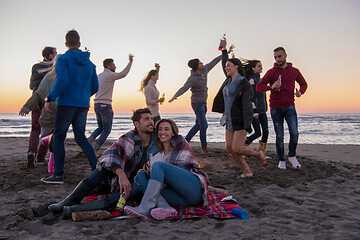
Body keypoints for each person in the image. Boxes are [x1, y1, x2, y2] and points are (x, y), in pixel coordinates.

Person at [48, 108, 159, 219]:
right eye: (146, 119)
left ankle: (76, 208)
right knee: (104, 167)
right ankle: (70, 200)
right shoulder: (127, 138)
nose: (151, 122)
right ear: (137, 124)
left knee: (135, 188)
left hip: (141, 182)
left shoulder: (158, 139)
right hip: (122, 178)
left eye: (151, 119)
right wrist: (121, 174)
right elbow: (110, 153)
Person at [41, 30, 99, 184]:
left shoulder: (63, 59)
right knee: (81, 138)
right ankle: (97, 169)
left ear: (66, 44)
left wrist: (50, 98)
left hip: (66, 103)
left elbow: (62, 81)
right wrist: (84, 95)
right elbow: (95, 87)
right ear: (79, 44)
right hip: (82, 105)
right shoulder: (90, 64)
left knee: (59, 137)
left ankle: (58, 175)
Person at [124, 118, 210, 220]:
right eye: (160, 129)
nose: (162, 132)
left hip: (193, 190)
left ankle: (145, 207)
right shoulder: (156, 156)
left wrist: (164, 178)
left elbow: (183, 169)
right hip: (180, 199)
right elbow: (152, 176)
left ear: (173, 132)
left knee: (158, 166)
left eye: (166, 129)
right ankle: (164, 207)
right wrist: (149, 173)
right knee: (140, 175)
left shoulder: (180, 143)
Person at [212, 38, 267, 178]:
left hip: (240, 119)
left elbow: (247, 103)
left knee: (237, 148)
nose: (226, 67)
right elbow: (224, 62)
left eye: (229, 66)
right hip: (229, 119)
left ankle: (258, 153)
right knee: (229, 148)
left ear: (236, 66)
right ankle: (247, 171)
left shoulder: (243, 83)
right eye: (226, 67)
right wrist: (223, 50)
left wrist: (248, 122)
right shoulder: (228, 80)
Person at [256, 47, 308, 169]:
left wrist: (300, 92)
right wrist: (271, 87)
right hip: (275, 107)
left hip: (290, 106)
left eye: (279, 56)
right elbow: (259, 86)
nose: (277, 59)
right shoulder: (271, 72)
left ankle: (292, 156)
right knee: (279, 135)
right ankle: (281, 159)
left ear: (285, 55)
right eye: (275, 57)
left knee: (294, 133)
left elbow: (304, 84)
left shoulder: (294, 71)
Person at [168, 51, 222, 155]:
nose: (203, 64)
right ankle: (204, 148)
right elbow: (184, 88)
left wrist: (224, 54)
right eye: (200, 63)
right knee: (203, 125)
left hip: (204, 102)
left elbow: (213, 62)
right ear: (197, 67)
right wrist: (176, 95)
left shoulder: (205, 70)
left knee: (198, 125)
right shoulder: (192, 78)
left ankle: (185, 141)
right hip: (197, 104)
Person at [88, 55, 134, 156]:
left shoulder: (99, 76)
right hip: (105, 105)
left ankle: (87, 144)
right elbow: (123, 74)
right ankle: (95, 150)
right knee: (107, 130)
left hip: (97, 104)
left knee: (100, 128)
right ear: (109, 67)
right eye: (113, 65)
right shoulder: (110, 75)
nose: (115, 67)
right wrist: (130, 62)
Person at [19, 55, 59, 169]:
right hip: (52, 106)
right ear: (51, 56)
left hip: (39, 102)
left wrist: (27, 107)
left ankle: (32, 152)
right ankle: (42, 156)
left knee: (36, 129)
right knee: (53, 133)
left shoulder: (36, 67)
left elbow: (32, 87)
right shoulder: (53, 73)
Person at [243, 60, 269, 153]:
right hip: (255, 111)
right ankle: (243, 144)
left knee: (266, 131)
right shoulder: (252, 80)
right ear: (253, 68)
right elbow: (250, 96)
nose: (261, 67)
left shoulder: (261, 79)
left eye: (261, 66)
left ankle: (261, 152)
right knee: (258, 133)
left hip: (262, 110)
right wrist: (254, 111)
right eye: (259, 66)